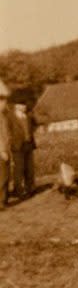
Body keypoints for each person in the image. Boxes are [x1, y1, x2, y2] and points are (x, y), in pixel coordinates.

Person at [12, 103, 36, 198]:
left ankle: (30, 188)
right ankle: (18, 191)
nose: (25, 107)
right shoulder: (10, 117)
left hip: (28, 145)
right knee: (19, 169)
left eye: (25, 105)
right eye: (22, 105)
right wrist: (13, 143)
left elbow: (32, 129)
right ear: (16, 106)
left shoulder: (28, 117)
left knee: (29, 168)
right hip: (17, 147)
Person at [0, 81, 11, 209]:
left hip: (5, 150)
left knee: (5, 175)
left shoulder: (3, 116)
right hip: (1, 151)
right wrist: (2, 151)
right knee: (2, 176)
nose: (5, 105)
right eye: (3, 102)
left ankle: (4, 200)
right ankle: (1, 202)